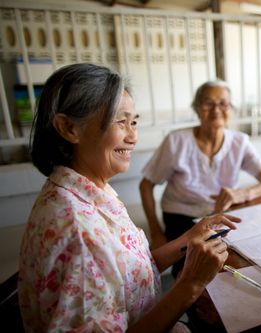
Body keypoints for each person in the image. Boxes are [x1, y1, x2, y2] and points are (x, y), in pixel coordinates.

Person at [18, 63, 240, 333]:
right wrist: (190, 284)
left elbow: (127, 275)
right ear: (69, 128)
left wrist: (187, 240)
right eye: (121, 121)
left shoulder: (88, 192)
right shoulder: (77, 230)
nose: (133, 136)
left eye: (134, 121)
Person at [139, 79, 261, 275]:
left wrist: (242, 194)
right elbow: (146, 185)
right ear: (197, 109)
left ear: (231, 109)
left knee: (236, 263)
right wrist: (156, 232)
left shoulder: (240, 142)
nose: (216, 110)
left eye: (223, 103)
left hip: (219, 216)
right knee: (190, 270)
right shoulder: (176, 141)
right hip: (181, 216)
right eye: (208, 103)